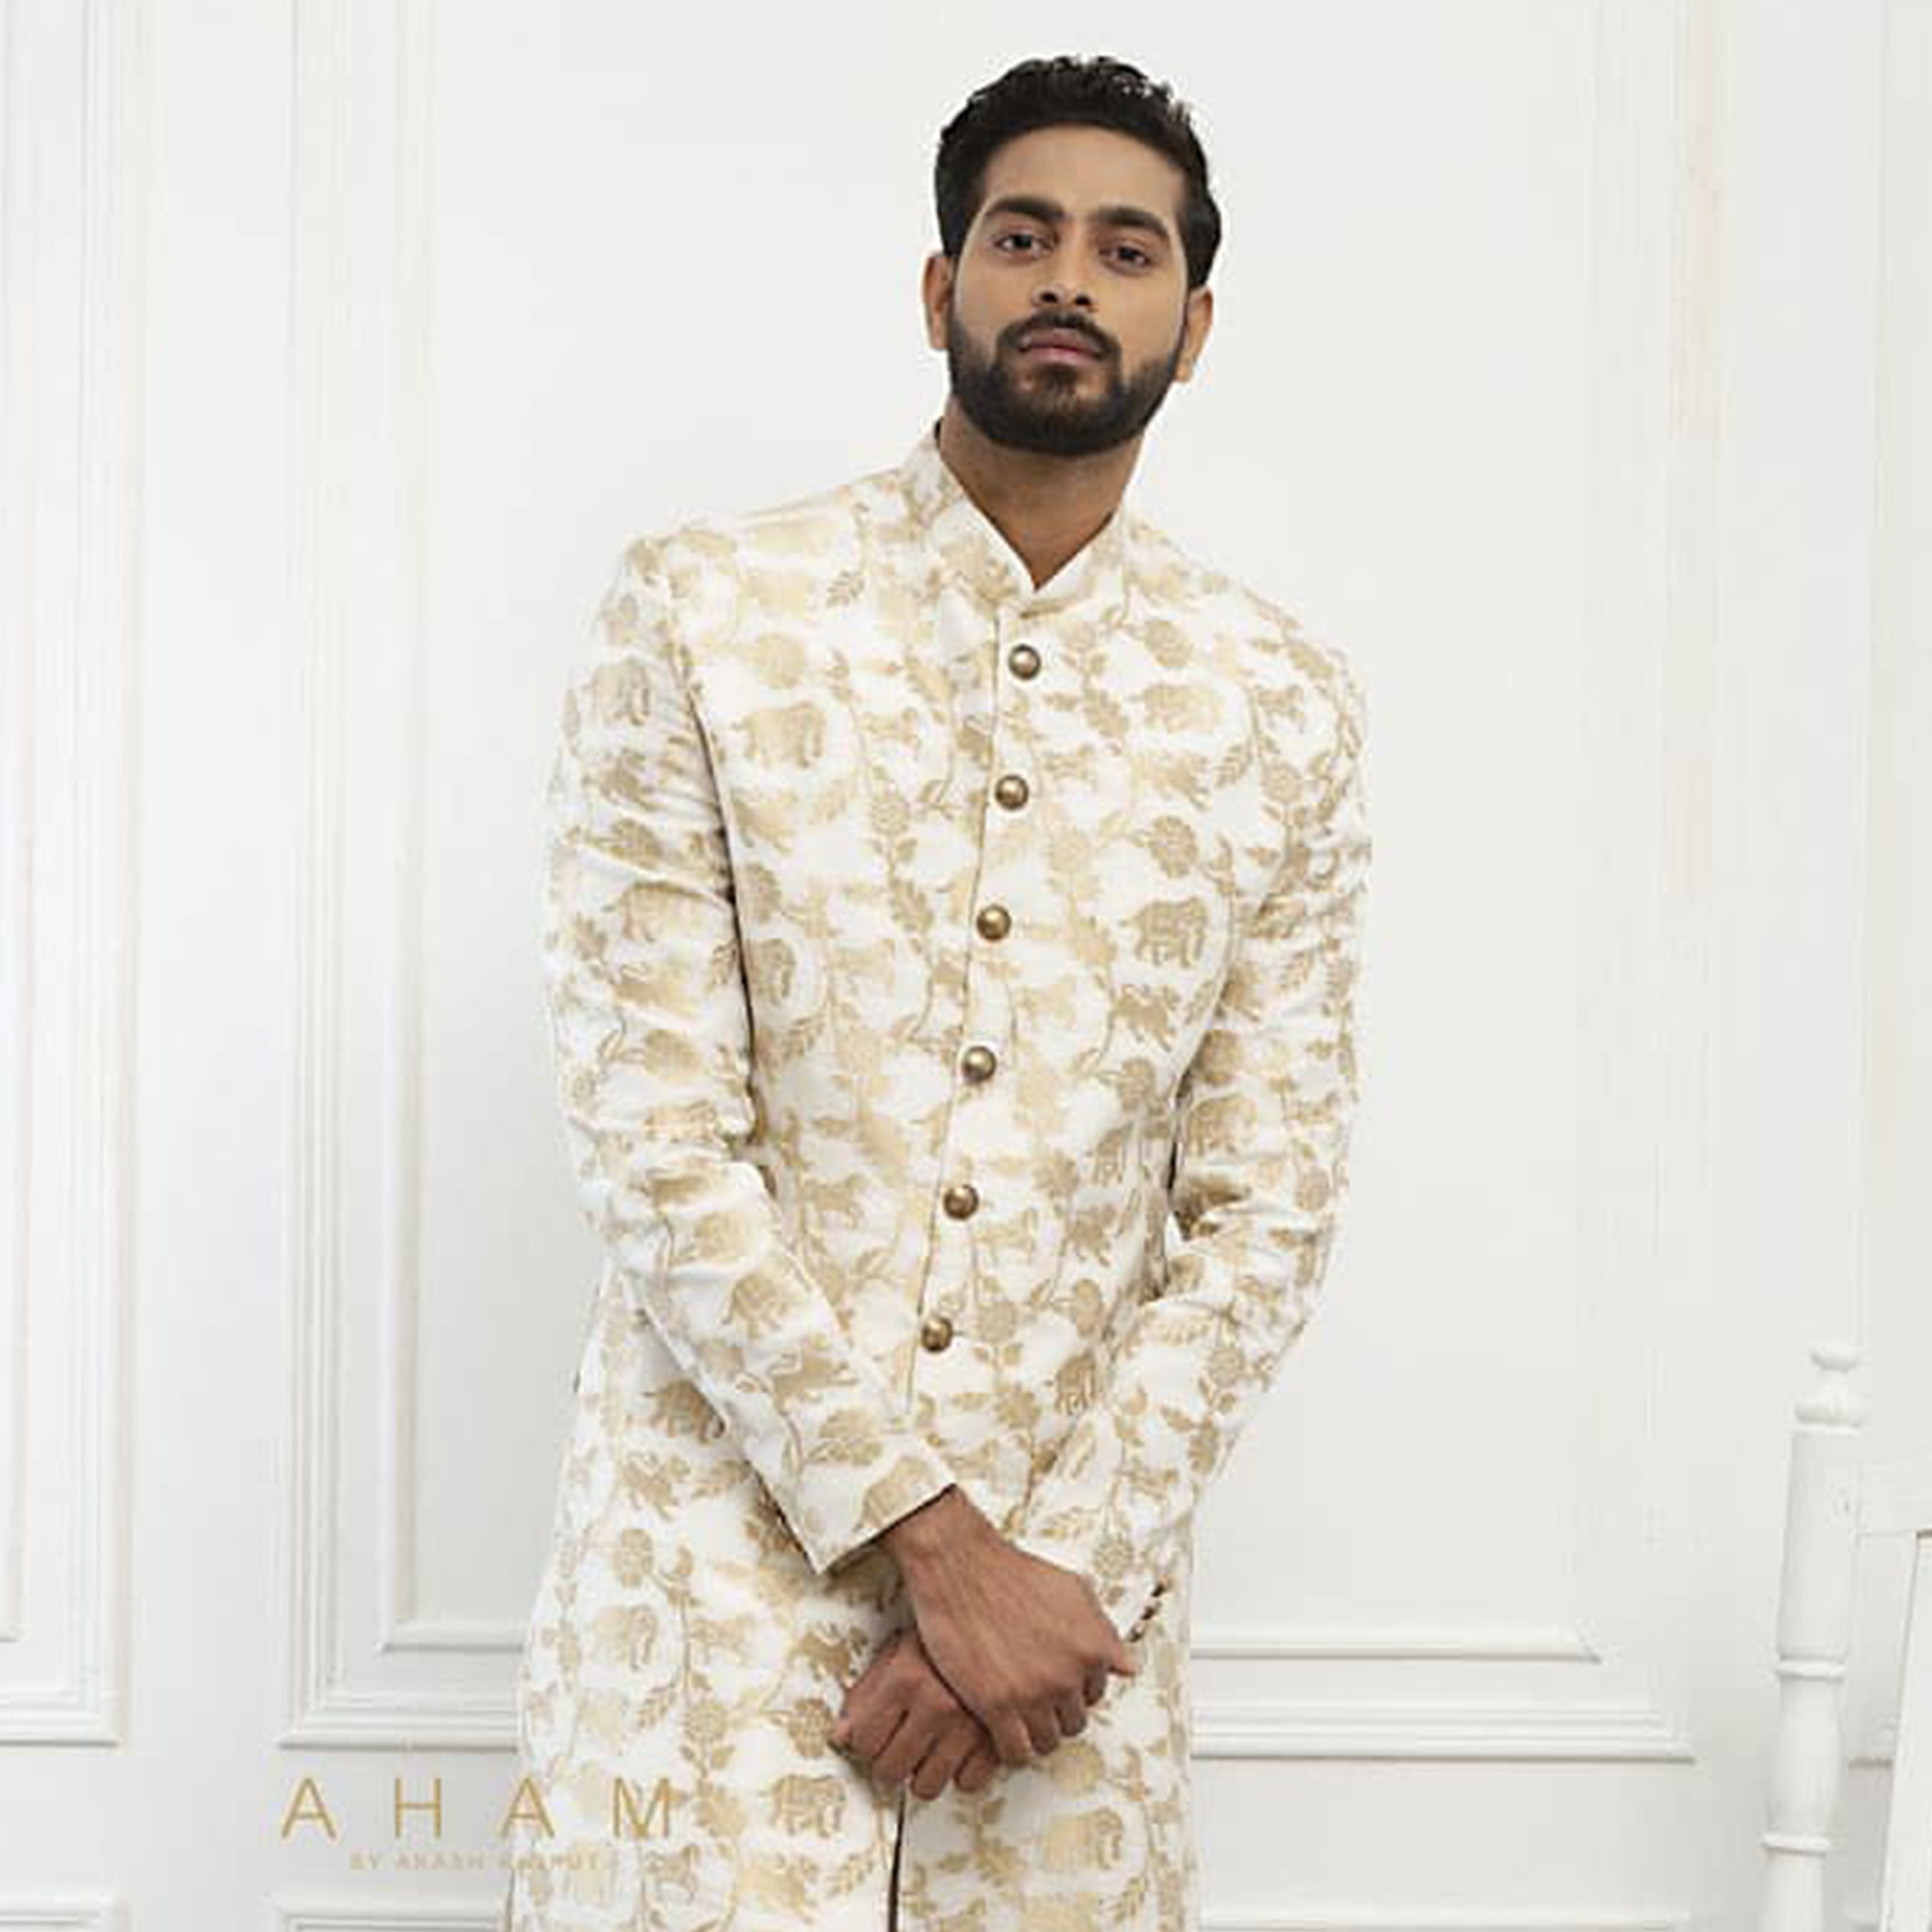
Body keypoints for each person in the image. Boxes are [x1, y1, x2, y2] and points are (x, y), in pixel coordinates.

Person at [502, 50, 1373, 1932]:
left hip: (1067, 1667)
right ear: (938, 289)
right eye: (1020, 236)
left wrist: (1049, 1582)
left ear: (1192, 327)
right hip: (707, 1625)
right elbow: (654, 1138)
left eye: (1126, 250)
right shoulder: (708, 619)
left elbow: (1266, 1209)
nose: (1069, 279)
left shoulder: (1278, 706)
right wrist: (937, 1550)